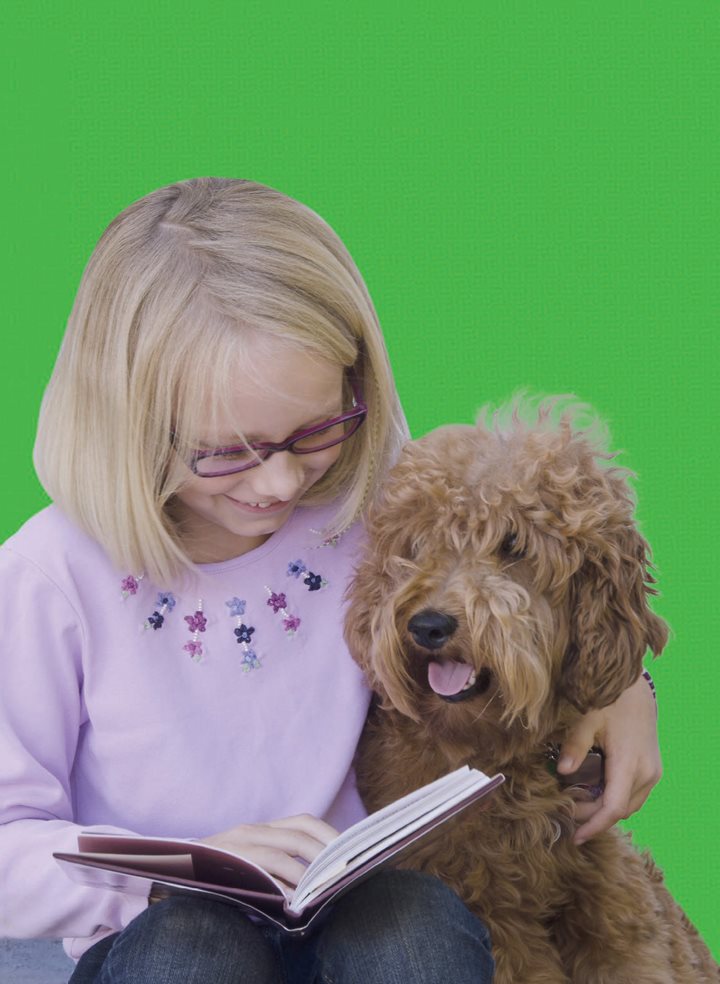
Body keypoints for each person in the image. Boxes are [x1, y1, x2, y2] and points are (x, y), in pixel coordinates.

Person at [0, 178, 661, 984]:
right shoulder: (51, 578)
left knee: (417, 928)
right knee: (193, 949)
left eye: (314, 430)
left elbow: (533, 579)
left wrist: (620, 687)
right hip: (157, 926)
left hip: (360, 905)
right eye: (223, 449)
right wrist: (177, 866)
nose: (278, 483)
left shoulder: (363, 497)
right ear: (120, 419)